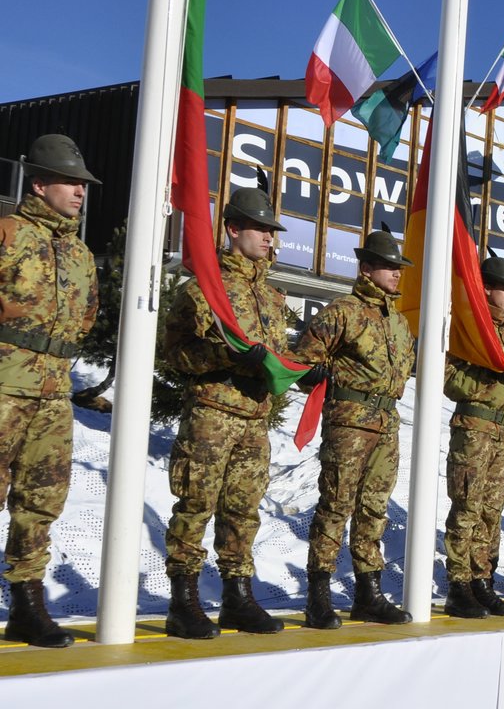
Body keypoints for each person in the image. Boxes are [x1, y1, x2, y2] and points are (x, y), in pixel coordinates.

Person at [161, 184, 290, 639]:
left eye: (272, 232)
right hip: (212, 413)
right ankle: (184, 601)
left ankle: (237, 597)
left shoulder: (273, 299)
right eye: (260, 229)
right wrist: (226, 358)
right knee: (195, 505)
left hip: (255, 418)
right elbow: (175, 354)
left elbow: (276, 355)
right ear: (234, 230)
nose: (269, 238)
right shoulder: (206, 290)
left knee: (243, 510)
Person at [0, 135, 99, 648]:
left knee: (41, 498)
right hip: (4, 383)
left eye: (83, 184)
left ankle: (27, 601)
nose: (81, 192)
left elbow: (85, 318)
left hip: (54, 392)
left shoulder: (80, 254)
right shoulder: (8, 231)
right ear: (40, 183)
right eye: (72, 182)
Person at [293, 229, 416, 628]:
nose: (396, 274)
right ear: (366, 269)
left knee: (373, 510)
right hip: (349, 423)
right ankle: (319, 595)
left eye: (398, 268)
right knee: (336, 506)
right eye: (388, 267)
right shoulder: (341, 311)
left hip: (386, 423)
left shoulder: (396, 321)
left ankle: (369, 593)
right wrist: (323, 372)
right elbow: (303, 365)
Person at [440, 256, 504, 619]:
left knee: (491, 510)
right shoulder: (467, 330)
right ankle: (459, 585)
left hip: (502, 431)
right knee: (467, 507)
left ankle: (483, 580)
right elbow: (449, 380)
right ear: (485, 289)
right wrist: (493, 380)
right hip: (474, 429)